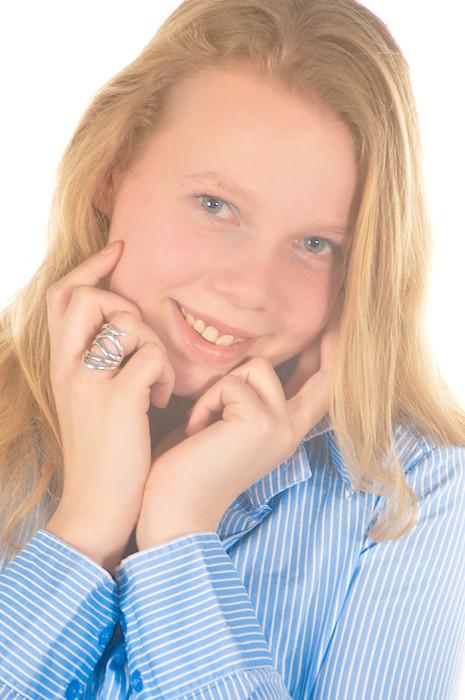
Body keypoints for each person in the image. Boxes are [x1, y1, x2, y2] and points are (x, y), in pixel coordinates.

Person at [0, 0, 464, 697]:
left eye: (316, 244)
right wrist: (89, 524)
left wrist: (179, 528)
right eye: (214, 205)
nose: (249, 288)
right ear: (108, 171)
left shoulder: (412, 493)